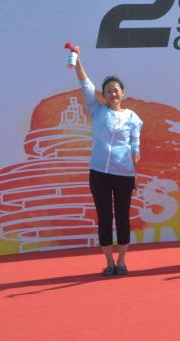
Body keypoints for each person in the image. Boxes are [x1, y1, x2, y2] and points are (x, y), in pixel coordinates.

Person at [71, 46, 143, 276]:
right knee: (104, 217)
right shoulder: (97, 110)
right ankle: (109, 262)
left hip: (124, 174)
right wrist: (78, 62)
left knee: (122, 218)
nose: (113, 94)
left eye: (116, 90)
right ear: (103, 94)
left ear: (123, 93)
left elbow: (135, 148)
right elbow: (86, 85)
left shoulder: (133, 118)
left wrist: (135, 174)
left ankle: (122, 261)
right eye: (108, 91)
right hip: (99, 173)